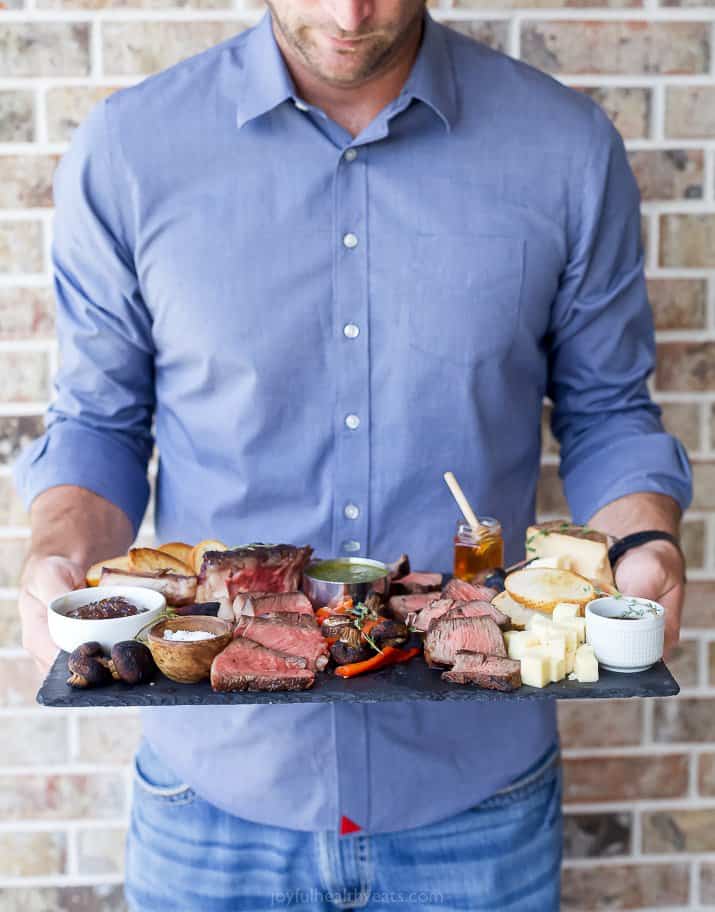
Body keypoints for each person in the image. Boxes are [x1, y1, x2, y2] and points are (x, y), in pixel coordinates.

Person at [15, 0, 691, 909]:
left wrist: (642, 544)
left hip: (476, 792)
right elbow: (98, 420)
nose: (348, 11)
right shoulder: (131, 149)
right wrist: (55, 555)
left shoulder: (564, 147)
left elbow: (607, 410)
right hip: (213, 792)